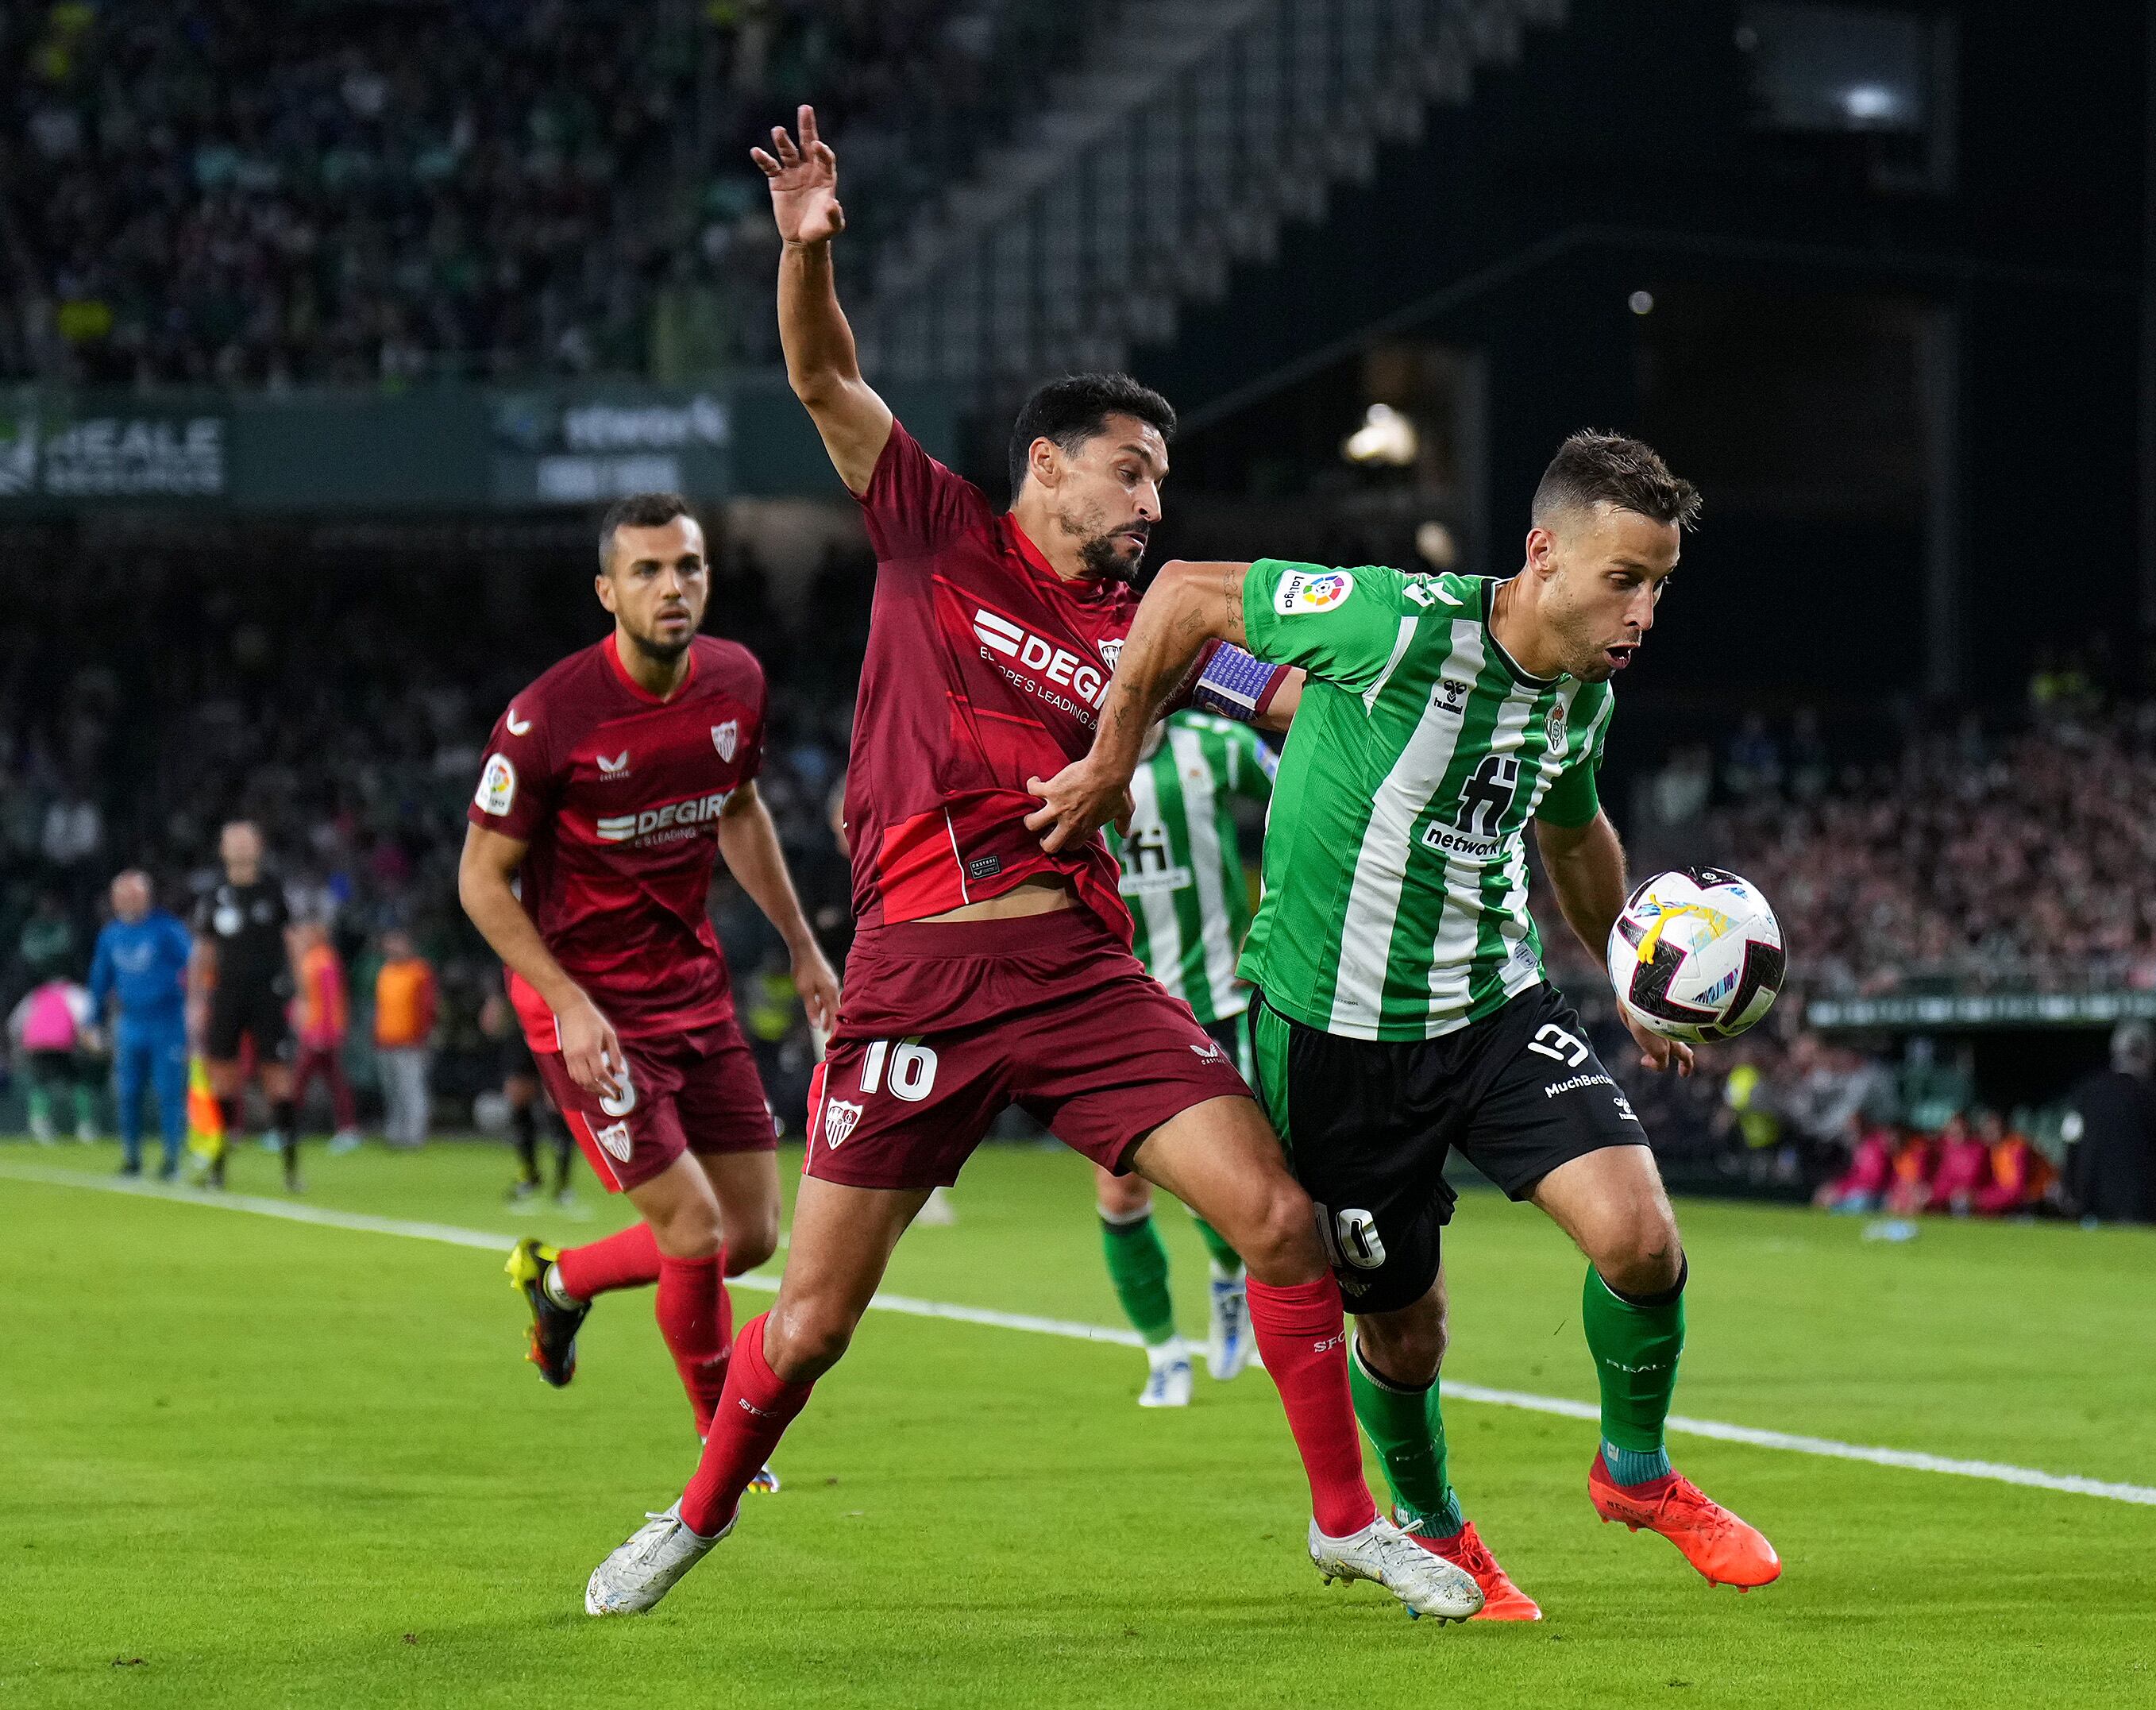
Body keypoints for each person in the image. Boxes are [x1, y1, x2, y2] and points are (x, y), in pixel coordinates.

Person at [574, 106, 1480, 1626]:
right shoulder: (936, 530)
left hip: (1078, 973)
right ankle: (695, 1511)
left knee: (1276, 1216)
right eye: (1130, 473)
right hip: (918, 970)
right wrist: (806, 253)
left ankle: (1345, 1521)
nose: (1152, 501)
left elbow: (1294, 696)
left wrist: (1410, 677)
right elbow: (822, 376)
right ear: (1046, 468)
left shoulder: (1150, 634)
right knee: (805, 1323)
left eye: (1163, 481)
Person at [1031, 428, 1785, 1616]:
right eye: (1622, 580)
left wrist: (1624, 977)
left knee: (1640, 1239)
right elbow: (1177, 595)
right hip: (1333, 1038)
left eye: (1658, 587)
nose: (1641, 613)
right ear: (1543, 555)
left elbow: (1573, 833)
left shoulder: (1579, 694)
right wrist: (1111, 759)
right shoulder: (1393, 623)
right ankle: (1435, 1523)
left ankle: (1632, 1473)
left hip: (1493, 1006)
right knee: (1405, 1334)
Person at [459, 489, 835, 1482]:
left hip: (693, 989)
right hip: (589, 1011)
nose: (673, 588)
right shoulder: (549, 717)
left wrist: (800, 944)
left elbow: (741, 808)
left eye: (689, 567)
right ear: (606, 591)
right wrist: (568, 1000)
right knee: (695, 1228)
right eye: (647, 572)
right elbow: (479, 879)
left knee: (749, 1233)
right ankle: (723, 1441)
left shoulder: (735, 680)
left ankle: (561, 1279)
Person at [1093, 708, 1277, 1407]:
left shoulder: (1219, 746)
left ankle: (1231, 1277)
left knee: (1228, 1179)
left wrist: (1273, 909)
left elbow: (1301, 795)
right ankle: (1165, 1352)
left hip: (1216, 1003)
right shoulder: (1075, 756)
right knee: (1120, 1189)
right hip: (1113, 1009)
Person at [190, 820, 303, 1192]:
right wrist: (195, 1000)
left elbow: (292, 942)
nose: (239, 847)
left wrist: (302, 994)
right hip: (227, 994)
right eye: (232, 841)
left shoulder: (274, 890)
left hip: (268, 993)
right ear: (222, 850)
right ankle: (219, 1166)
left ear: (259, 846)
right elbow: (204, 951)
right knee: (221, 1074)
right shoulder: (214, 895)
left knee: (277, 1076)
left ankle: (290, 1167)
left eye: (246, 840)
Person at [85, 870, 191, 1176]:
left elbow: (194, 966)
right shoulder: (111, 936)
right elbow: (100, 980)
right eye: (123, 896)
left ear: (147, 897)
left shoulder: (167, 930)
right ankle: (132, 1157)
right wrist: (93, 1020)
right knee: (128, 1092)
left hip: (166, 1021)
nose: (129, 901)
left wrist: (196, 1005)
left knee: (168, 1091)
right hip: (130, 1022)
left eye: (135, 895)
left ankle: (172, 1158)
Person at [2061, 1021, 2156, 1224]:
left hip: (2092, 1200)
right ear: (2148, 1053)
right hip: (2141, 1205)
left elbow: (2071, 1141)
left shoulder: (2087, 1092)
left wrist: (2072, 1190)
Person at [481, 988, 570, 1205]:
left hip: (554, 1031)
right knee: (519, 1100)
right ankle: (530, 1175)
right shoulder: (512, 962)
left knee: (556, 1106)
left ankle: (563, 1184)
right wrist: (495, 1008)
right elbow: (494, 1012)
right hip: (522, 1034)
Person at [288, 921, 361, 1152]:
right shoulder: (311, 958)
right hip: (314, 1030)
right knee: (332, 1081)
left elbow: (330, 1000)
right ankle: (346, 1128)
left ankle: (290, 1128)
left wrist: (324, 1033)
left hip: (320, 1034)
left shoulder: (323, 959)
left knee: (305, 1081)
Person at [9, 974, 94, 1144]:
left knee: (40, 1084)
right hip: (62, 1044)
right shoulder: (73, 992)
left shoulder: (37, 994)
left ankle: (39, 1124)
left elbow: (15, 1023)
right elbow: (86, 1017)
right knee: (78, 1083)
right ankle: (85, 1126)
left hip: (36, 1045)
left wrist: (20, 1046)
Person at [372, 929, 438, 1148]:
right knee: (392, 1092)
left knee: (412, 1089)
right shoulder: (386, 971)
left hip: (411, 1041)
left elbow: (427, 1007)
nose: (393, 947)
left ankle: (415, 1135)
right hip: (386, 1040)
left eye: (397, 941)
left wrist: (422, 1036)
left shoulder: (419, 971)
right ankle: (396, 1134)